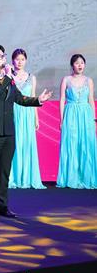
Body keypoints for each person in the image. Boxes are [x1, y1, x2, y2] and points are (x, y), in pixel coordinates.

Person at [0, 45, 52, 220]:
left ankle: (2, 206)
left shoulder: (8, 79)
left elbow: (19, 98)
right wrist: (6, 77)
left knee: (5, 172)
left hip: (9, 132)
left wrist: (38, 100)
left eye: (3, 55)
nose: (3, 59)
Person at [57, 54, 96, 189]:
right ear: (72, 65)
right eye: (77, 63)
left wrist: (94, 120)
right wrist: (62, 119)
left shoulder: (89, 80)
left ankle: (86, 177)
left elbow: (91, 100)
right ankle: (71, 178)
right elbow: (62, 100)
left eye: (82, 63)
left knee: (86, 145)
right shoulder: (66, 80)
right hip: (71, 114)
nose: (80, 65)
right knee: (71, 145)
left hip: (86, 115)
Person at [9, 49, 45, 189]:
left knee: (27, 143)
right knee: (14, 143)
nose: (20, 62)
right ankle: (14, 177)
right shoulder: (9, 76)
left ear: (26, 61)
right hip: (14, 112)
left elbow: (33, 97)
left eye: (22, 59)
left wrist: (36, 118)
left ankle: (27, 178)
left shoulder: (31, 77)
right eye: (17, 59)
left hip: (28, 113)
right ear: (12, 61)